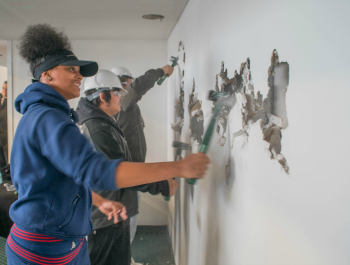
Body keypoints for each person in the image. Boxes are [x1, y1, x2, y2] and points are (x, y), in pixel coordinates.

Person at [6, 24, 209, 265]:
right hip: (43, 248)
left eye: (79, 70)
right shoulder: (48, 118)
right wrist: (180, 167)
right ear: (47, 74)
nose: (79, 75)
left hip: (68, 239)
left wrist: (99, 201)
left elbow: (69, 176)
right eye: (71, 68)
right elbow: (99, 171)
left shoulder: (55, 115)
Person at [76, 69, 178, 265]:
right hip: (104, 217)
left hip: (114, 211)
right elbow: (119, 173)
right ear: (103, 96)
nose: (121, 97)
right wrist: (161, 184)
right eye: (117, 93)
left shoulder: (104, 122)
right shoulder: (97, 129)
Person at [111, 65, 174, 250]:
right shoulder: (122, 100)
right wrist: (161, 71)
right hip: (129, 174)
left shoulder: (127, 106)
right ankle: (124, 257)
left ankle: (125, 256)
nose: (131, 85)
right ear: (124, 82)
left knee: (130, 216)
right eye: (129, 81)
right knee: (128, 217)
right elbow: (139, 86)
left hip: (132, 172)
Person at [0, 81, 7, 163]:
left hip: (5, 140)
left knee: (4, 164)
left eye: (6, 88)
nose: (4, 90)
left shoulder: (9, 103)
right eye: (3, 88)